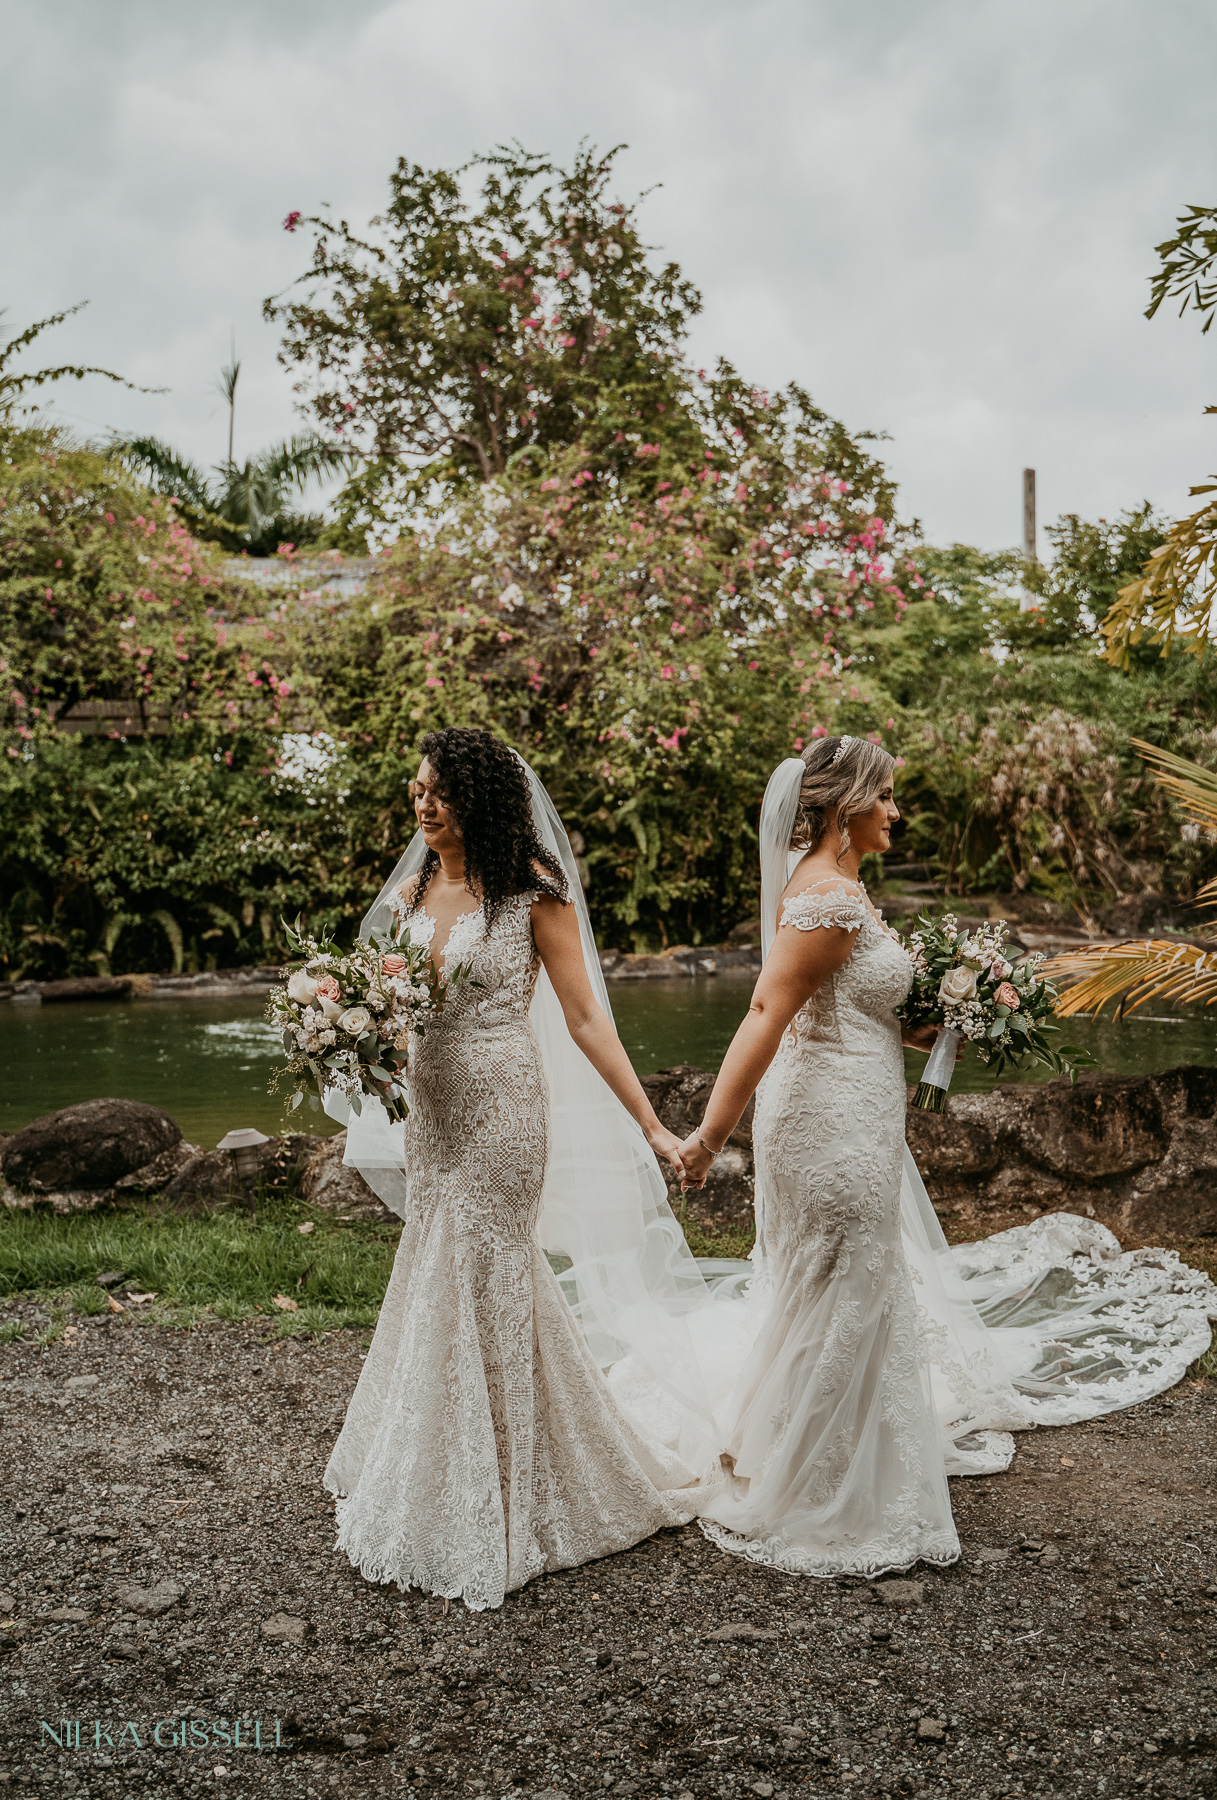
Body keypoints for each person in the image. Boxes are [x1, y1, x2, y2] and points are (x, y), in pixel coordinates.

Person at [676, 736, 1217, 1578]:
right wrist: (708, 1137)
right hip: (827, 1119)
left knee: (845, 1276)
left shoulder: (846, 893)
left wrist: (966, 1011)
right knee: (846, 1275)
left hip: (855, 1104)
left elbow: (865, 1010)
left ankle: (807, 1445)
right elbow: (761, 1013)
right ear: (846, 803)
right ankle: (816, 1480)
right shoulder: (826, 899)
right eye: (885, 796)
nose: (896, 811)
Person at [321, 727, 712, 1612]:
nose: (422, 806)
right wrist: (358, 1044)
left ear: (482, 802)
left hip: (502, 1102)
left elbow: (583, 1017)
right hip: (433, 1105)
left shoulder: (531, 889)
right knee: (434, 1258)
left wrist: (651, 1125)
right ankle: (431, 1458)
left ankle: (509, 1485)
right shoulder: (418, 884)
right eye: (416, 790)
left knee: (485, 1263)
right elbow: (392, 1004)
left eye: (440, 794)